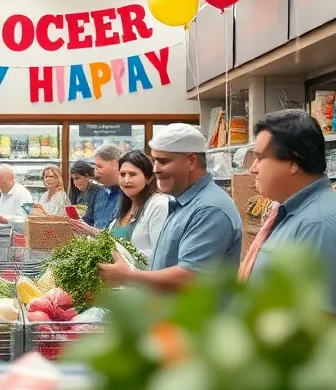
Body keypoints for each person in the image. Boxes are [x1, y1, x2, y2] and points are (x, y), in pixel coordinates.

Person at [241, 109, 336, 318]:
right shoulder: (291, 212)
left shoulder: (318, 224)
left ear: (293, 162)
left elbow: (315, 324)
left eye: (260, 158)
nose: (252, 169)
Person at [99, 124, 242, 290]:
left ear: (191, 161)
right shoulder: (181, 203)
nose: (156, 170)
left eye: (164, 161)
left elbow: (191, 277)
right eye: (154, 161)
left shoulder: (210, 209)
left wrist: (129, 276)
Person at [69, 150, 170, 261]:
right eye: (122, 174)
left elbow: (160, 254)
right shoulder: (126, 205)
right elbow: (113, 241)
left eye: (132, 174)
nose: (126, 180)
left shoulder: (159, 205)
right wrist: (87, 230)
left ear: (148, 177)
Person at [83, 144, 123, 229]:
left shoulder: (127, 194)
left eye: (99, 166)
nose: (95, 171)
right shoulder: (100, 191)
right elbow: (90, 220)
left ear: (115, 164)